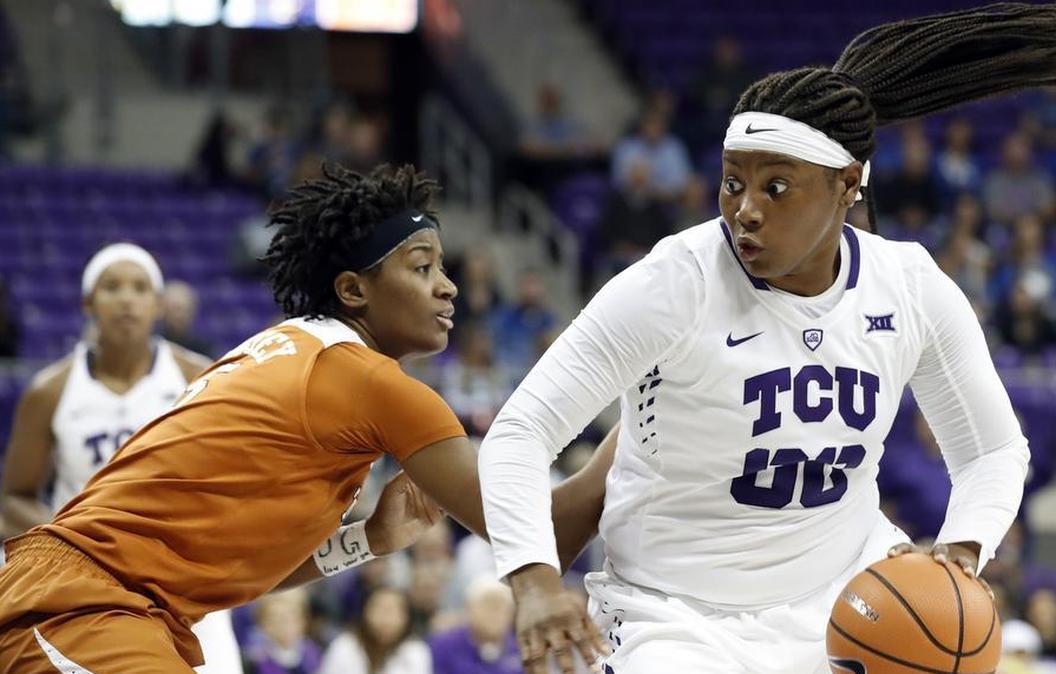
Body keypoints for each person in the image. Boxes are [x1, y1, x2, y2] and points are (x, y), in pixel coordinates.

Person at [476, 5, 1056, 673]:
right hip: (673, 613)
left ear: (847, 186)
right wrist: (536, 585)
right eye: (732, 183)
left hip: (847, 597)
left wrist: (964, 548)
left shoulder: (909, 286)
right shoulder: (672, 284)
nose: (745, 209)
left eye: (776, 187)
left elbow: (993, 452)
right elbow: (521, 431)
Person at [0, 163, 616, 673]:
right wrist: (654, 400)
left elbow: (237, 568)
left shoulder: (288, 348)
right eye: (423, 267)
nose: (448, 287)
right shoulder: (370, 381)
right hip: (83, 602)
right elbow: (546, 535)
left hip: (121, 603)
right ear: (353, 291)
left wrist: (368, 539)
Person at [0, 243, 242, 674]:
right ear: (89, 303)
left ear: (157, 304)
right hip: (81, 580)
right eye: (112, 287)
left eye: (139, 287)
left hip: (180, 579)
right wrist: (71, 546)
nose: (127, 298)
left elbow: (232, 483)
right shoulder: (50, 390)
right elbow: (13, 498)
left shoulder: (200, 376)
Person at [317, 587, 429, 674]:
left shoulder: (416, 651)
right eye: (379, 608)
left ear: (407, 617)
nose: (386, 618)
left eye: (392, 610)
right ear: (365, 612)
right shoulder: (344, 645)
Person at [428, 576, 524, 674]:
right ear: (469, 609)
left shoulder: (521, 650)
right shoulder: (444, 645)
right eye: (488, 605)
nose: (494, 613)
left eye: (502, 606)